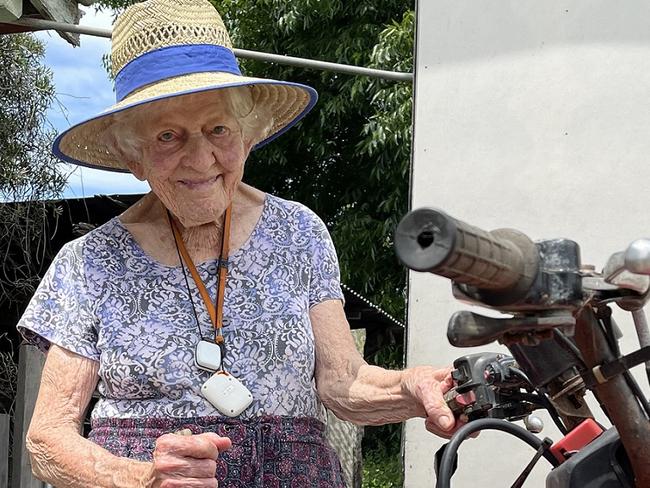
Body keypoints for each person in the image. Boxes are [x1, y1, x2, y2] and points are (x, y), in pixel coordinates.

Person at [17, 0, 462, 486]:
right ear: (133, 157)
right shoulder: (88, 262)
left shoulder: (299, 232)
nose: (201, 157)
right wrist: (144, 477)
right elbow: (47, 439)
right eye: (168, 136)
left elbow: (343, 382)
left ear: (248, 137)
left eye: (219, 129)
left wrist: (412, 387)